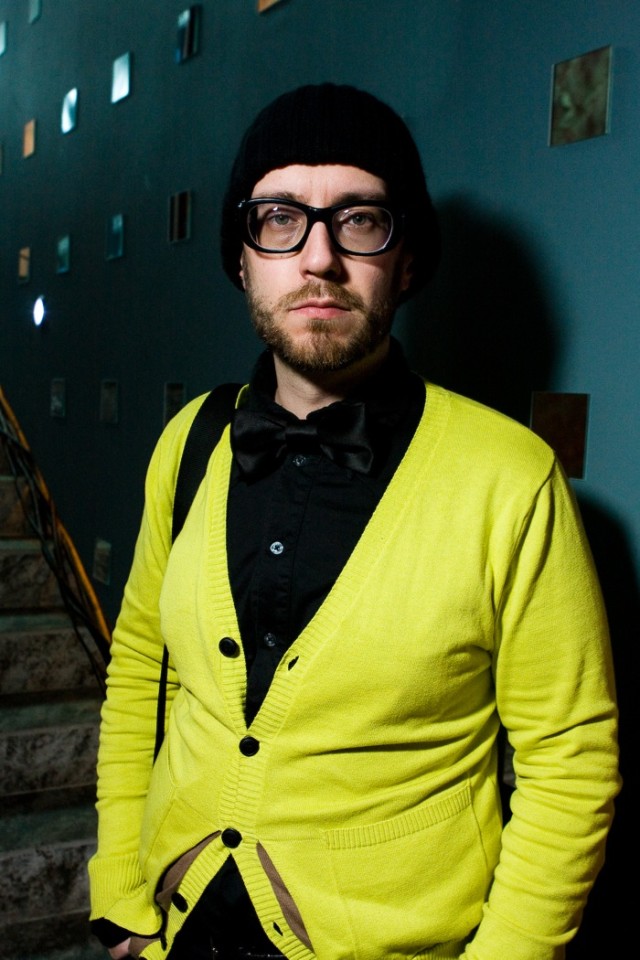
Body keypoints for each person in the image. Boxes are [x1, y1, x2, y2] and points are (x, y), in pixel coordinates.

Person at [89, 84, 620, 960]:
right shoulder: (188, 443)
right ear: (242, 258)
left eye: (359, 220)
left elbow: (571, 758)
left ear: (406, 261)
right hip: (176, 926)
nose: (318, 258)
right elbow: (141, 669)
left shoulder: (510, 477)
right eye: (279, 219)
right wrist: (119, 890)